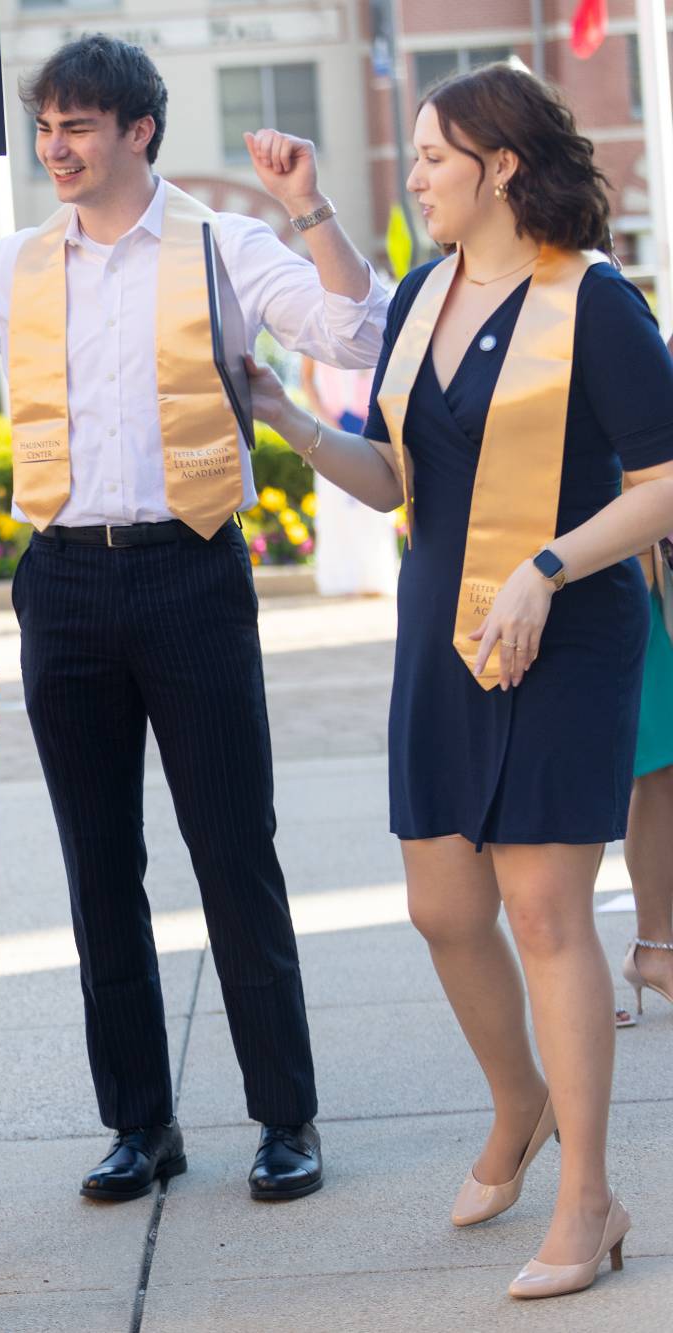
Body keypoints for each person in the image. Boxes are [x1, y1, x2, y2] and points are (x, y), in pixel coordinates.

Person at [0, 34, 390, 1205]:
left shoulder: (223, 242)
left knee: (231, 848)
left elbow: (355, 336)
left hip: (190, 572)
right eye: (45, 128)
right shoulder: (17, 261)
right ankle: (138, 1123)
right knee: (95, 863)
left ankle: (283, 1115)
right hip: (61, 583)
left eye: (77, 127)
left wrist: (309, 211)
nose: (54, 149)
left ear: (137, 131)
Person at [243, 63, 673, 1298]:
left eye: (431, 157)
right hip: (444, 627)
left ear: (497, 168)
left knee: (542, 913)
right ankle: (520, 1100)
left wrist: (545, 565)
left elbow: (661, 479)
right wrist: (281, 413)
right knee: (442, 910)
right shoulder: (427, 292)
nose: (415, 176)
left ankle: (587, 1199)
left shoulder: (594, 303)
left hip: (566, 630)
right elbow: (393, 479)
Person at [617, 539, 673, 1027]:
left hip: (645, 561)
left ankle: (655, 947)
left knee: (661, 762)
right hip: (590, 563)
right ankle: (565, 965)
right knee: (586, 766)